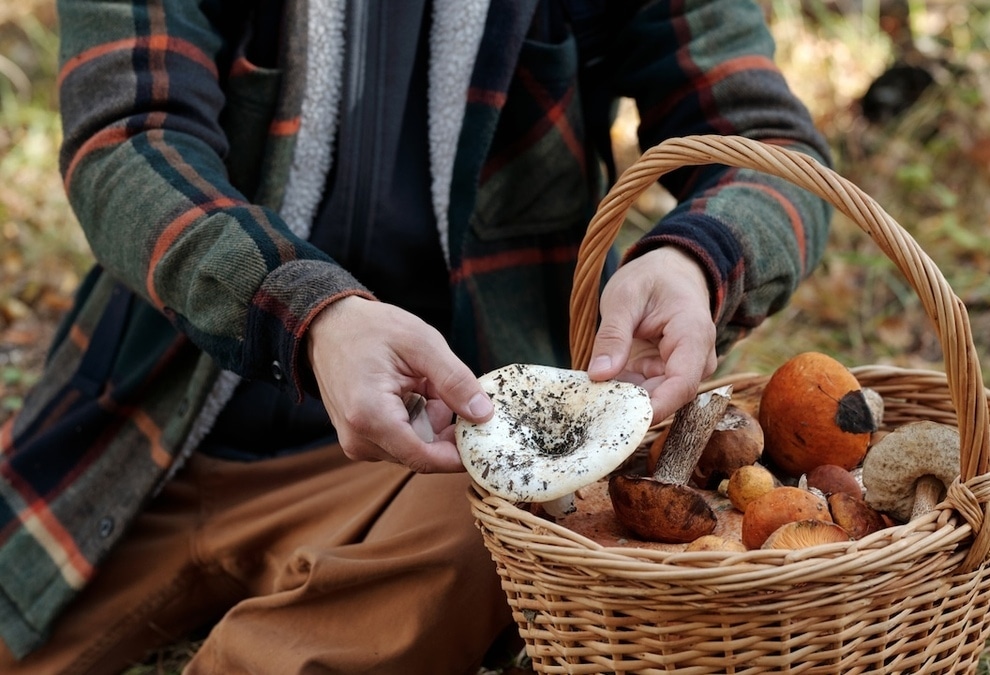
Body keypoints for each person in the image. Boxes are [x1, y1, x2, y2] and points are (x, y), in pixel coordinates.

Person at [0, 0, 833, 672]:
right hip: (150, 427)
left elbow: (769, 143)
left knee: (499, 538)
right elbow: (125, 138)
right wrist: (313, 313)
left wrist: (696, 259)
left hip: (436, 455)